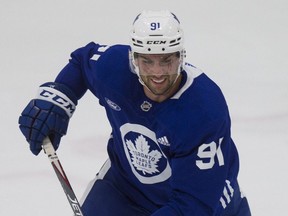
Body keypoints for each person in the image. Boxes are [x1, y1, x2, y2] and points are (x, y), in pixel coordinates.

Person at [18, 10, 251, 216]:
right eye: (147, 61)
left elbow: (192, 205)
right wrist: (59, 97)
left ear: (180, 57)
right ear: (134, 58)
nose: (157, 73)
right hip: (124, 191)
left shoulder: (204, 111)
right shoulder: (114, 68)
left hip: (208, 206)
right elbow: (82, 62)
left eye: (166, 61)